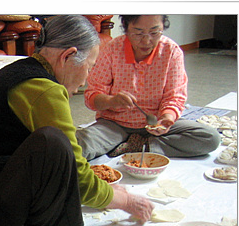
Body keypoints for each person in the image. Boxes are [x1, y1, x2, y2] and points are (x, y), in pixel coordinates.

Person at [0, 15, 154, 226]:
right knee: (53, 142)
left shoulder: (21, 71)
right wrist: (123, 200)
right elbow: (76, 171)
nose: (86, 79)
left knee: (54, 145)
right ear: (68, 56)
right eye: (89, 67)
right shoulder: (43, 89)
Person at [76, 15, 221, 161]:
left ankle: (144, 146)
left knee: (210, 138)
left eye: (154, 32)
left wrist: (166, 118)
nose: (146, 41)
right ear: (126, 28)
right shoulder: (112, 49)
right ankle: (136, 145)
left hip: (156, 126)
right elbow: (92, 96)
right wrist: (111, 101)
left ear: (163, 28)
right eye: (138, 33)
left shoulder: (171, 51)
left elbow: (175, 96)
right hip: (114, 125)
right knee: (76, 146)